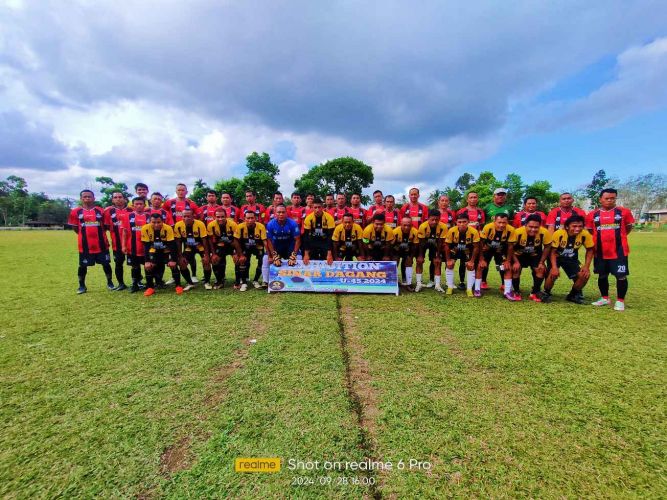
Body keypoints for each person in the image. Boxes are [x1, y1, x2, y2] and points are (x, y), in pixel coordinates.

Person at [586, 188, 635, 311]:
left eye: (612, 198)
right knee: (602, 275)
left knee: (621, 276)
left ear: (615, 199)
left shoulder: (624, 212)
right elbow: (591, 231)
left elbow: (628, 228)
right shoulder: (592, 214)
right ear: (600, 199)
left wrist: (619, 238)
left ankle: (620, 301)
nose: (609, 200)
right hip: (600, 251)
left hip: (619, 250)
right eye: (607, 198)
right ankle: (605, 298)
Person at [68, 190, 115, 294]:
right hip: (84, 246)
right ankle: (82, 285)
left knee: (106, 264)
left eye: (89, 196)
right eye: (85, 197)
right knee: (82, 266)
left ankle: (110, 282)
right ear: (81, 199)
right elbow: (76, 228)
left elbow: (106, 226)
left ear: (94, 198)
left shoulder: (100, 211)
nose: (87, 198)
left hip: (102, 244)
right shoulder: (75, 212)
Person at [541, 214, 594, 304]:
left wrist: (586, 266)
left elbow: (590, 249)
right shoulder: (558, 233)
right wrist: (554, 267)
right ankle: (546, 292)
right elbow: (552, 252)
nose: (577, 229)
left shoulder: (585, 234)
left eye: (580, 226)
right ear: (567, 226)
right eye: (574, 226)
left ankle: (573, 295)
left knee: (584, 275)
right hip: (556, 257)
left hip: (571, 258)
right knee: (553, 274)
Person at [476, 213, 518, 300]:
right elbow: (481, 243)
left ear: (507, 222)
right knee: (482, 265)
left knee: (504, 267)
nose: (501, 225)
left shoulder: (511, 230)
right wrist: (481, 258)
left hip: (500, 250)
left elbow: (510, 246)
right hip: (487, 249)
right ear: (494, 221)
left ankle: (506, 289)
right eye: (499, 222)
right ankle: (478, 287)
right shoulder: (488, 227)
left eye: (504, 222)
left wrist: (508, 261)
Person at [164, 183, 201, 281]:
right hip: (174, 233)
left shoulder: (191, 203)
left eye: (183, 190)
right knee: (174, 254)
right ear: (176, 191)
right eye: (179, 190)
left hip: (189, 233)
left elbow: (198, 215)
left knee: (190, 253)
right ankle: (173, 276)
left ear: (186, 191)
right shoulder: (169, 203)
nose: (181, 192)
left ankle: (193, 275)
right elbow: (163, 214)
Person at [511, 214, 551, 301]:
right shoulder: (517, 232)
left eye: (536, 227)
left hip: (535, 255)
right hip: (519, 255)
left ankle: (535, 292)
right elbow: (510, 248)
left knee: (541, 269)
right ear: (525, 225)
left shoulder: (544, 232)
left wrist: (541, 262)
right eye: (530, 227)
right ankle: (516, 291)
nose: (533, 229)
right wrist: (516, 262)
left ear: (539, 226)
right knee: (515, 269)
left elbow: (547, 246)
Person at [141, 213, 180, 296]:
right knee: (148, 266)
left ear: (163, 221)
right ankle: (150, 288)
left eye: (158, 222)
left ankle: (178, 286)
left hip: (166, 250)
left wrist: (173, 260)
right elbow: (146, 246)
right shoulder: (145, 228)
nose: (156, 224)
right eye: (153, 222)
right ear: (150, 222)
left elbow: (172, 245)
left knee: (173, 265)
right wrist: (147, 261)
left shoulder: (168, 228)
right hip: (153, 251)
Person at [444, 212, 479, 296]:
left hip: (467, 250)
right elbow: (447, 246)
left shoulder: (474, 232)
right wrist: (448, 260)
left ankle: (469, 289)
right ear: (456, 222)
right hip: (455, 249)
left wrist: (472, 261)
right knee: (449, 265)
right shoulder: (451, 231)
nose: (462, 224)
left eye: (464, 222)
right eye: (459, 222)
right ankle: (450, 287)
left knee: (470, 266)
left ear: (468, 222)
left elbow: (476, 247)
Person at [173, 208, 209, 290]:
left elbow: (204, 240)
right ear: (182, 217)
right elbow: (178, 242)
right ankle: (190, 283)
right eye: (184, 216)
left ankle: (207, 282)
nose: (186, 218)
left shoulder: (200, 224)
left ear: (193, 216)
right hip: (188, 247)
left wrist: (207, 255)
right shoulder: (178, 225)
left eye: (188, 216)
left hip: (200, 247)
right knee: (182, 263)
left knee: (206, 262)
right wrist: (180, 256)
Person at [120, 197, 151, 293]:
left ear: (144, 205)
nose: (139, 206)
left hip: (146, 247)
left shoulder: (149, 217)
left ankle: (149, 284)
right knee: (135, 266)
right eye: (136, 204)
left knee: (148, 266)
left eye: (141, 204)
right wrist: (123, 245)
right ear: (133, 206)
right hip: (132, 247)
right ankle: (135, 284)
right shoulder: (127, 216)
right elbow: (124, 232)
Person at [264, 205, 302, 282]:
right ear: (275, 213)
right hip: (276, 246)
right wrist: (273, 254)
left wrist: (294, 254)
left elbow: (298, 240)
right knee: (265, 259)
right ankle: (266, 281)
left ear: (286, 213)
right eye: (279, 212)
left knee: (299, 258)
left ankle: (296, 280)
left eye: (283, 212)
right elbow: (269, 240)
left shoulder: (293, 223)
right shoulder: (270, 224)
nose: (281, 214)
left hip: (290, 246)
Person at [456, 191, 486, 289]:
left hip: (476, 240)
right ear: (467, 199)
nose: (473, 199)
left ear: (477, 199)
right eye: (471, 197)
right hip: (463, 240)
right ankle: (461, 282)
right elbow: (457, 225)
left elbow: (481, 226)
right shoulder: (461, 211)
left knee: (474, 261)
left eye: (475, 197)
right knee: (463, 261)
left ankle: (473, 283)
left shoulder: (480, 211)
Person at [233, 211, 268, 291]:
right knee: (243, 261)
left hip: (257, 247)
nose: (250, 220)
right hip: (245, 247)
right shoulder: (240, 227)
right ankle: (244, 282)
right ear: (244, 219)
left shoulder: (261, 227)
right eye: (248, 218)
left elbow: (264, 241)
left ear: (255, 218)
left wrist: (269, 253)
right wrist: (240, 254)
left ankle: (255, 280)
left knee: (262, 261)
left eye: (252, 218)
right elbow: (236, 241)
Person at [415, 209, 447, 292]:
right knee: (419, 261)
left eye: (436, 220)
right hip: (424, 244)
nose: (434, 222)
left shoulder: (443, 227)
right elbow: (421, 243)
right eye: (432, 219)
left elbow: (440, 242)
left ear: (439, 219)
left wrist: (438, 256)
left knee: (437, 262)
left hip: (435, 245)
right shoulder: (423, 226)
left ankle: (437, 284)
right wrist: (421, 255)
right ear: (428, 218)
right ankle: (419, 283)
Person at [206, 207, 238, 289]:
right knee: (215, 260)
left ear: (226, 216)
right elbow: (210, 240)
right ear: (214, 217)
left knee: (238, 259)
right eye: (218, 217)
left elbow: (237, 240)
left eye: (222, 216)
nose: (220, 219)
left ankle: (238, 281)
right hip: (220, 246)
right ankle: (219, 280)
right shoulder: (211, 225)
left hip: (232, 246)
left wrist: (237, 253)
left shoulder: (233, 225)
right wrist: (213, 254)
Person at [104, 191, 128, 290]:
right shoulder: (108, 211)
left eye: (120, 197)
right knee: (118, 263)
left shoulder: (131, 209)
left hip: (131, 242)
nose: (118, 199)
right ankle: (121, 283)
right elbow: (106, 227)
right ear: (113, 200)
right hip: (116, 243)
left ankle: (138, 281)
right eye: (115, 197)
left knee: (136, 263)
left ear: (124, 199)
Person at [302, 198, 335, 265]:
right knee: (307, 258)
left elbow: (330, 237)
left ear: (322, 207)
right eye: (315, 207)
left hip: (325, 241)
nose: (317, 210)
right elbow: (306, 237)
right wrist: (306, 254)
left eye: (319, 207)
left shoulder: (329, 218)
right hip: (313, 241)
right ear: (312, 208)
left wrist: (329, 254)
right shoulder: (308, 218)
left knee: (329, 260)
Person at [393, 216, 419, 287]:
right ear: (400, 224)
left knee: (408, 261)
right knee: (395, 261)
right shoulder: (395, 232)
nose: (406, 227)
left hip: (408, 250)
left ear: (412, 225)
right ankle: (394, 280)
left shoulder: (415, 232)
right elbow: (391, 246)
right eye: (404, 225)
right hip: (396, 249)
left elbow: (415, 246)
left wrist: (411, 257)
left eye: (409, 225)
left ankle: (408, 282)